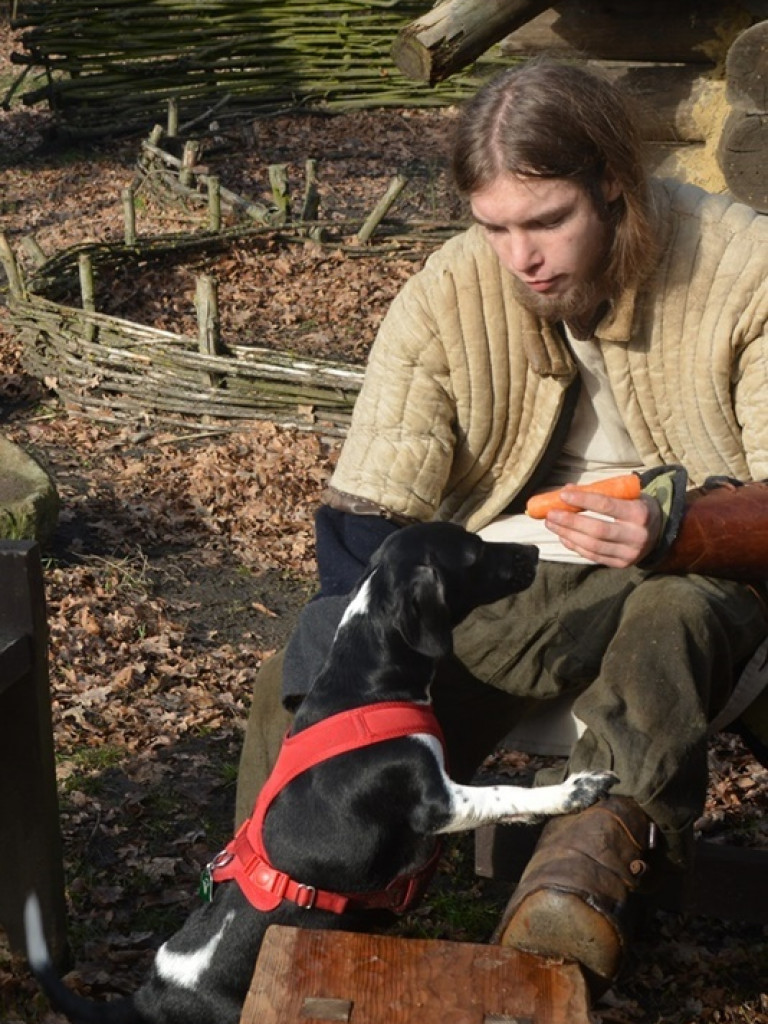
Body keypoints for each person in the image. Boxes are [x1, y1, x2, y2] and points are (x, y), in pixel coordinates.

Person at [235, 58, 768, 997]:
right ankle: (274, 918)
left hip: (714, 568)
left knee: (672, 620)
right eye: (495, 227)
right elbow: (369, 513)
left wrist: (673, 530)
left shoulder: (742, 267)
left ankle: (578, 885)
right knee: (303, 668)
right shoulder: (450, 293)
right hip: (517, 576)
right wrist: (355, 678)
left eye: (548, 221)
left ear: (615, 186)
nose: (521, 257)